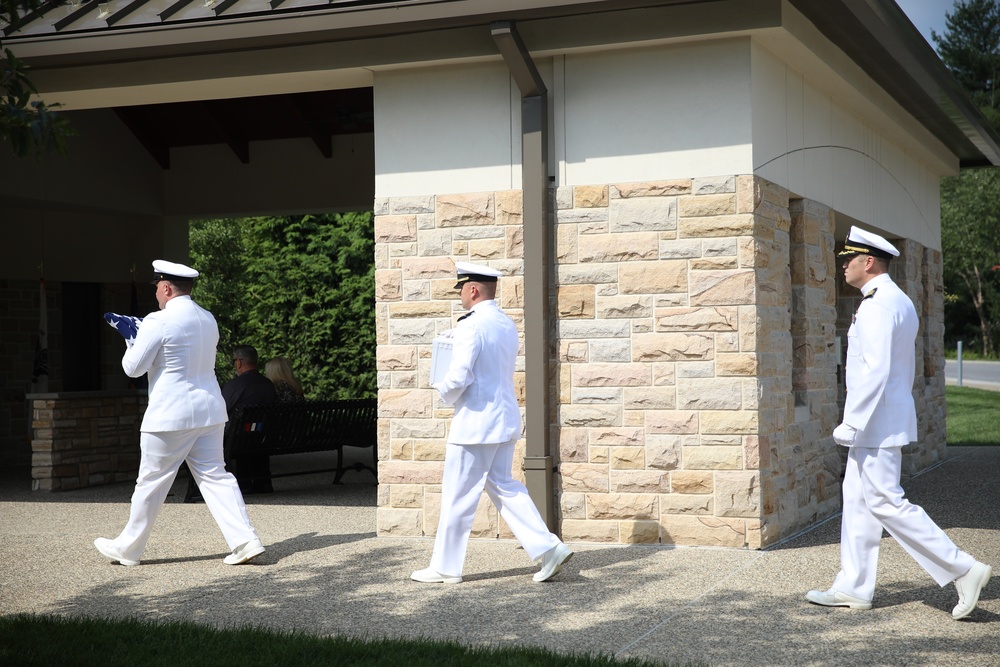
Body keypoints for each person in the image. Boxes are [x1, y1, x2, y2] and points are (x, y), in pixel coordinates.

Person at [806, 227, 992, 619]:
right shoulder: (896, 299)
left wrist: (852, 422)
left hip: (874, 423)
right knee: (858, 500)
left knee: (886, 502)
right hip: (880, 421)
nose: (843, 265)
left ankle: (964, 568)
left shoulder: (878, 304)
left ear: (867, 262)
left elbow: (875, 371)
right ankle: (853, 587)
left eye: (848, 259)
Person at [94, 260, 265, 566]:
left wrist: (130, 337)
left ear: (167, 288)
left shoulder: (157, 321)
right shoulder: (208, 318)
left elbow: (133, 369)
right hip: (209, 410)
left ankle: (129, 549)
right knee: (216, 477)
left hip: (170, 414)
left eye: (158, 286)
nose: (157, 292)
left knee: (150, 482)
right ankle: (246, 540)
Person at [411, 261, 572, 585]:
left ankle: (445, 567)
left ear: (472, 290)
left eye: (461, 291)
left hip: (475, 424)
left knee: (458, 495)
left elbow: (459, 376)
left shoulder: (470, 325)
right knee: (505, 487)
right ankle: (548, 547)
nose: (460, 297)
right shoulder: (505, 323)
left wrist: (439, 388)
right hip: (503, 419)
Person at [222, 345, 278, 493]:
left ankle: (243, 484)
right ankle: (263, 482)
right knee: (253, 432)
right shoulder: (268, 384)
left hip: (238, 438)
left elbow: (220, 410)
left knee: (235, 433)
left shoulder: (235, 386)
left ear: (239, 362)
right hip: (262, 437)